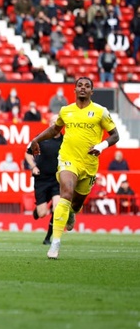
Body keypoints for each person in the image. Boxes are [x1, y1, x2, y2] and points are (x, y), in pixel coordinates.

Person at [30, 77, 119, 259]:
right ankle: (55, 243)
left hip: (89, 164)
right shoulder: (66, 110)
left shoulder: (100, 112)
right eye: (80, 85)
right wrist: (36, 139)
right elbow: (55, 130)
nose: (83, 88)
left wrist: (101, 146)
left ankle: (71, 213)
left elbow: (115, 135)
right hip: (67, 159)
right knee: (66, 194)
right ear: (75, 90)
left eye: (87, 86)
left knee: (76, 203)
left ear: (92, 92)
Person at [25, 115, 63, 245]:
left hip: (57, 179)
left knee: (57, 209)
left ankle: (48, 238)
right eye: (53, 122)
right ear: (48, 124)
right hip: (41, 178)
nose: (55, 124)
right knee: (42, 213)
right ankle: (37, 210)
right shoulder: (40, 138)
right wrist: (34, 167)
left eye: (57, 122)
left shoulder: (65, 140)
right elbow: (28, 153)